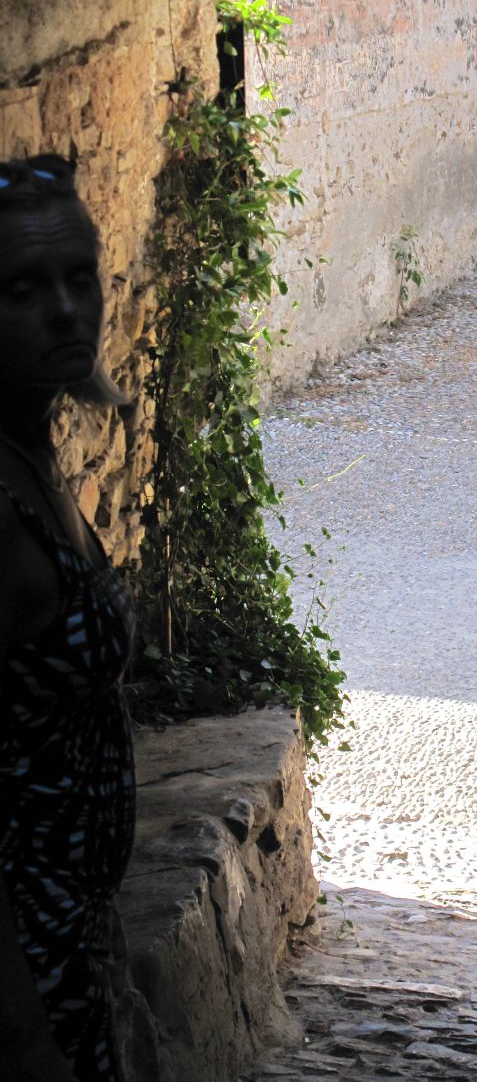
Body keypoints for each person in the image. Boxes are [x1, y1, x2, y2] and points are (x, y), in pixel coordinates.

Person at [0, 154, 135, 1082]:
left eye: (78, 277)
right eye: (22, 287)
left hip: (69, 946)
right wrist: (23, 1037)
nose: (65, 310)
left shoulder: (30, 455)